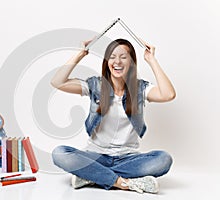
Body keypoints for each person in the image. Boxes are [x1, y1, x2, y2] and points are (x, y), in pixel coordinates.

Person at [50, 38, 176, 194]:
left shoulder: (140, 89)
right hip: (95, 156)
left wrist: (152, 60)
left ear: (131, 62)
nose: (118, 61)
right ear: (106, 61)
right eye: (112, 56)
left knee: (163, 159)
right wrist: (79, 55)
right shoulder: (95, 85)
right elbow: (57, 82)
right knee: (60, 153)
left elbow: (168, 94)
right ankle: (123, 182)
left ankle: (91, 175)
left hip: (128, 159)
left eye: (124, 57)